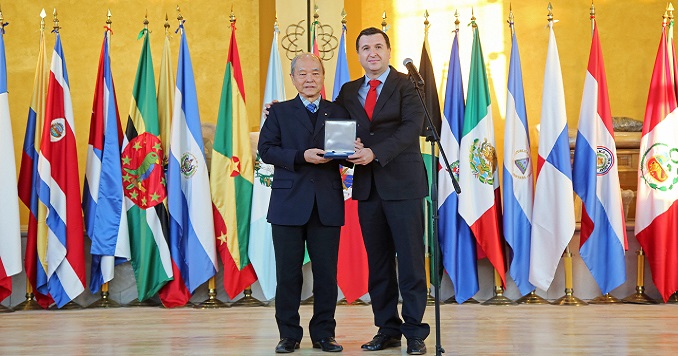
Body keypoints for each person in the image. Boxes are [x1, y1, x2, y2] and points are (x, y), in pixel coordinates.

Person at [337, 27, 429, 355]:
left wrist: (374, 152)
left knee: (411, 262)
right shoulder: (348, 92)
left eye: (378, 46)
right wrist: (278, 111)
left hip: (403, 185)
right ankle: (386, 328)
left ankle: (415, 331)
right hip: (368, 188)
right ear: (358, 55)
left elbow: (411, 129)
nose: (372, 53)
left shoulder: (409, 86)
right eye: (365, 48)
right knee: (378, 264)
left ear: (388, 51)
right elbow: (331, 125)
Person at [258, 53, 349, 354]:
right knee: (288, 273)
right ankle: (289, 334)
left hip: (326, 203)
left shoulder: (339, 111)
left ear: (323, 77)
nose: (309, 79)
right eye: (303, 74)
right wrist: (300, 156)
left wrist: (351, 152)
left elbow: (347, 149)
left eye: (315, 73)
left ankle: (325, 334)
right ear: (293, 78)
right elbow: (266, 151)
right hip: (288, 203)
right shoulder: (280, 112)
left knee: (326, 274)